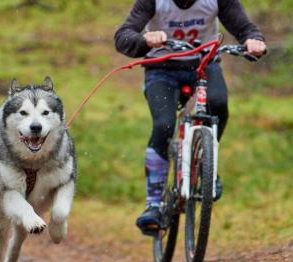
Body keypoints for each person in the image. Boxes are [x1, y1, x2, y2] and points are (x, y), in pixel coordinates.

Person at [114, 0, 266, 233]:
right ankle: (153, 204)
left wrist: (253, 41)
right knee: (164, 126)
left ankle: (207, 169)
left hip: (203, 66)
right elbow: (123, 36)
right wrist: (144, 40)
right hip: (161, 69)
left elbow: (245, 28)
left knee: (218, 104)